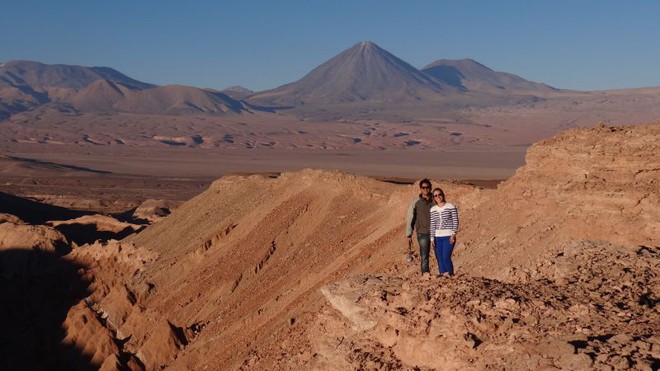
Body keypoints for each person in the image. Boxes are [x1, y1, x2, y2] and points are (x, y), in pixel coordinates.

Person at [406, 179, 434, 274]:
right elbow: (410, 218)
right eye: (423, 187)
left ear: (431, 188)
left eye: (428, 187)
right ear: (420, 189)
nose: (426, 189)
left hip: (437, 233)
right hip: (422, 233)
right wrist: (409, 233)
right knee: (424, 256)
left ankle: (444, 275)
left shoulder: (435, 200)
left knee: (440, 255)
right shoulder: (416, 203)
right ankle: (425, 276)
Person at [430, 188, 459, 276]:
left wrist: (453, 234)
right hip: (437, 237)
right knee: (440, 258)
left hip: (448, 236)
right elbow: (432, 224)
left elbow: (455, 221)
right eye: (435, 195)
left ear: (443, 195)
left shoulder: (450, 206)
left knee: (446, 257)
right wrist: (432, 239)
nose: (438, 197)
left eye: (439, 194)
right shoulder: (433, 209)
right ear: (434, 198)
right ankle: (443, 276)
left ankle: (450, 275)